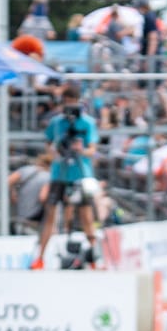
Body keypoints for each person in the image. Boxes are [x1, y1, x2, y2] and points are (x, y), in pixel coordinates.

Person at [32, 83, 99, 269]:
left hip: (81, 173)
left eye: (72, 102)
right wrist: (55, 152)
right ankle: (40, 258)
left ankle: (95, 258)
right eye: (66, 102)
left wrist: (81, 149)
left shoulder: (87, 123)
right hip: (59, 173)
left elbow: (93, 149)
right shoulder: (56, 122)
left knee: (86, 215)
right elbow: (49, 144)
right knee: (50, 214)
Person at [9, 153, 52, 234]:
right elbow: (43, 197)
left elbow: (8, 181)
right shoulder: (48, 177)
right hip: (34, 215)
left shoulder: (26, 169)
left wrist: (12, 193)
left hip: (20, 211)